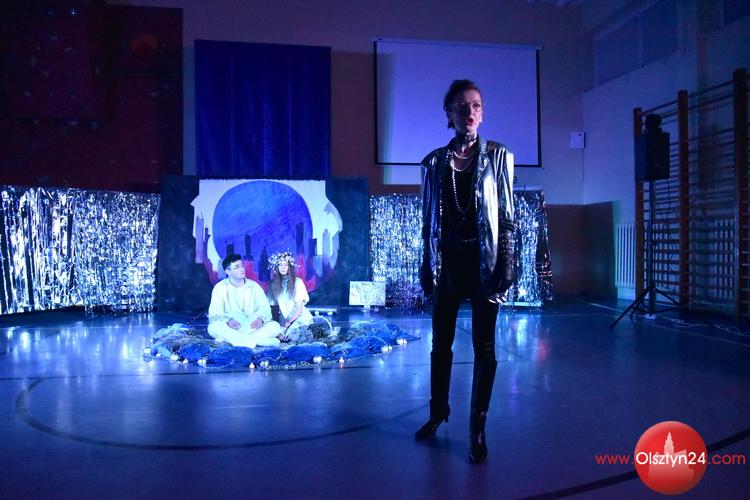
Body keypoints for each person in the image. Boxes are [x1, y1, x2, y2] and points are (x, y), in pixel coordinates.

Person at [415, 79, 515, 464]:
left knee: (484, 347)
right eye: (461, 106)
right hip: (447, 265)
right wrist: (426, 263)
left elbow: (507, 219)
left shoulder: (500, 157)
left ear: (482, 113)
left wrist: (507, 264)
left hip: (483, 264)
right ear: (449, 114)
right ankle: (438, 412)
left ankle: (477, 427)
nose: (469, 111)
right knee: (441, 345)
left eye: (475, 105)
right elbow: (427, 222)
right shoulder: (433, 162)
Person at [207, 254, 282, 348]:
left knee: (275, 326)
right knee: (213, 327)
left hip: (252, 327)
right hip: (231, 328)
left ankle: (234, 341)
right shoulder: (219, 288)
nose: (242, 269)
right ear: (228, 271)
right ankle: (259, 341)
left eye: (242, 265)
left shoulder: (254, 286)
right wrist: (227, 321)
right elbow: (214, 314)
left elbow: (265, 308)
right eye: (237, 267)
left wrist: (261, 319)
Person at [267, 251, 313, 342]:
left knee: (293, 337)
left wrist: (288, 323)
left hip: (299, 317)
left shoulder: (297, 282)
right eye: (280, 265)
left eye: (286, 265)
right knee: (276, 336)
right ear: (276, 267)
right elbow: (273, 307)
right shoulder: (273, 284)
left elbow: (299, 308)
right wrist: (276, 325)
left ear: (290, 267)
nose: (283, 267)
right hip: (284, 319)